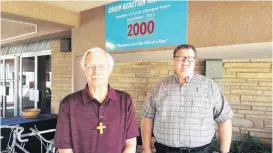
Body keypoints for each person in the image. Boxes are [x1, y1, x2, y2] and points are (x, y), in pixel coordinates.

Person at [141, 44, 233, 153]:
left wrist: (224, 151)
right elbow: (147, 118)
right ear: (174, 61)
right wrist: (146, 149)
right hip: (165, 150)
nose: (185, 61)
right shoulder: (160, 86)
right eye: (180, 57)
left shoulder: (210, 86)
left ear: (194, 61)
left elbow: (224, 119)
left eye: (190, 58)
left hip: (201, 150)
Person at [54, 47, 139, 153]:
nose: (96, 71)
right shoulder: (68, 104)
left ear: (109, 70)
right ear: (84, 70)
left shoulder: (125, 100)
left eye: (101, 66)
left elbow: (131, 143)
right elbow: (64, 148)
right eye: (90, 66)